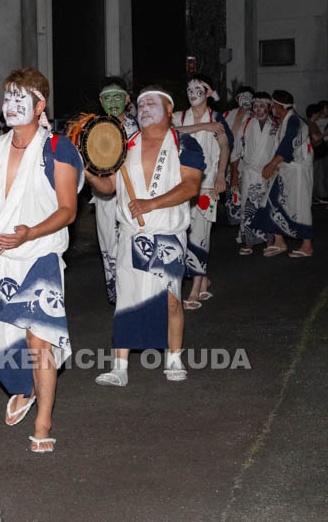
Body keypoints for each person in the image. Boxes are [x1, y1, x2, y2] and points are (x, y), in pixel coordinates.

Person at [0, 68, 83, 453]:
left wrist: (30, 233)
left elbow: (67, 210)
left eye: (21, 98)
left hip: (40, 254)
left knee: (40, 341)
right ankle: (26, 387)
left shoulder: (58, 149)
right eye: (8, 97)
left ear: (39, 106)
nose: (12, 105)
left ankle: (43, 423)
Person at [88, 85, 205, 386]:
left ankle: (174, 359)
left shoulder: (185, 143)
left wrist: (151, 204)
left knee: (170, 300)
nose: (144, 109)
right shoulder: (124, 145)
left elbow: (191, 186)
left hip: (166, 235)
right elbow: (108, 186)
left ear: (169, 109)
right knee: (127, 299)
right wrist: (86, 170)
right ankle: (120, 367)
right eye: (140, 105)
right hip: (130, 234)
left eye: (152, 103)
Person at [172, 75, 231, 310]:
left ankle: (195, 288)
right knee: (181, 234)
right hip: (179, 185)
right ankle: (203, 278)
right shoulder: (178, 116)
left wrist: (221, 175)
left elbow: (224, 147)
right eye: (189, 89)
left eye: (198, 88)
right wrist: (203, 127)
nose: (192, 93)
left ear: (208, 92)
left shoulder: (217, 118)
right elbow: (170, 132)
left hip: (206, 185)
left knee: (200, 234)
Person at [93, 76, 138, 304]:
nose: (112, 103)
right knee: (110, 246)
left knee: (131, 247)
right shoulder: (92, 129)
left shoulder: (140, 128)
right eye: (107, 98)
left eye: (117, 97)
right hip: (106, 198)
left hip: (134, 197)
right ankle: (120, 298)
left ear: (127, 99)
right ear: (101, 101)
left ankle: (134, 297)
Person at [254, 90, 314, 257]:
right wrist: (274, 164)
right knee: (272, 199)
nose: (271, 108)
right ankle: (279, 241)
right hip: (286, 170)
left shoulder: (295, 122)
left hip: (298, 171)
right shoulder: (286, 121)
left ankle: (307, 246)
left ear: (281, 106)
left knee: (300, 207)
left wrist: (272, 163)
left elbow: (289, 144)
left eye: (273, 105)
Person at [234, 92, 278, 255]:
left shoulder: (276, 125)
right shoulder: (246, 124)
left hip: (268, 172)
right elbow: (237, 150)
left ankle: (269, 241)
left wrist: (275, 167)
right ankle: (249, 242)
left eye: (262, 106)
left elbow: (279, 149)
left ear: (269, 107)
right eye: (255, 106)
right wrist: (234, 174)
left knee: (268, 207)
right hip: (250, 173)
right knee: (248, 207)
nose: (258, 109)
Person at [221, 86, 254, 228]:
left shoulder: (254, 117)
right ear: (237, 99)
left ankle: (246, 228)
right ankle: (237, 225)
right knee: (232, 196)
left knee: (247, 196)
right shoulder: (227, 115)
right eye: (242, 96)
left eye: (249, 97)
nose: (245, 100)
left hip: (245, 163)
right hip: (227, 160)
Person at [308, 101, 328, 203]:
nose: (320, 114)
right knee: (318, 173)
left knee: (322, 172)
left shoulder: (313, 123)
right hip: (317, 149)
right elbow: (315, 138)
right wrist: (325, 133)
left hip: (321, 148)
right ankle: (318, 195)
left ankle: (322, 194)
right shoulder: (312, 123)